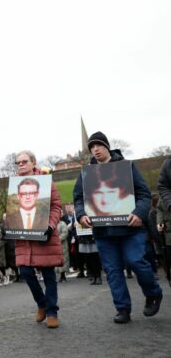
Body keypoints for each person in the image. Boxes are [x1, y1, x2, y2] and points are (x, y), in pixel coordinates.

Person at [74, 131, 163, 323]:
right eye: (91, 147)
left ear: (107, 146)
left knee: (136, 261)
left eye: (98, 145)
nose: (95, 149)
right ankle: (123, 309)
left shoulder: (127, 166)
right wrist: (81, 214)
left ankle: (153, 293)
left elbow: (144, 194)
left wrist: (139, 213)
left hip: (130, 229)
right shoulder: (86, 174)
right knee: (113, 271)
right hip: (103, 232)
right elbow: (79, 198)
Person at [13, 150, 64, 329]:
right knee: (26, 272)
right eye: (17, 162)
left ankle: (52, 311)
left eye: (24, 161)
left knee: (48, 274)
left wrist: (50, 226)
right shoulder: (14, 184)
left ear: (33, 163)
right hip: (24, 238)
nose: (20, 164)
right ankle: (42, 303)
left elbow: (57, 206)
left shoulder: (46, 182)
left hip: (44, 235)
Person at [55, 215, 70, 283]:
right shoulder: (52, 224)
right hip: (54, 246)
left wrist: (57, 240)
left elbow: (65, 233)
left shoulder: (62, 223)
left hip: (62, 245)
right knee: (55, 260)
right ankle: (56, 276)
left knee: (63, 260)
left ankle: (63, 276)